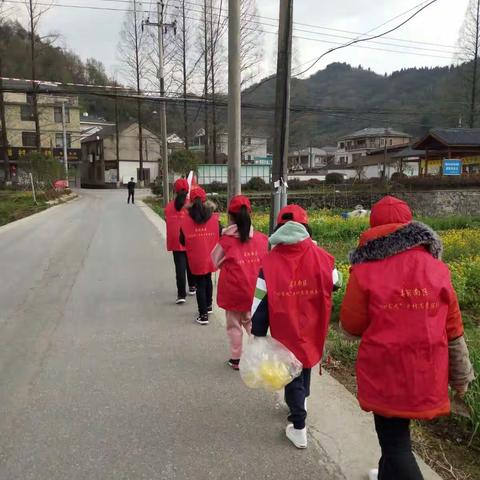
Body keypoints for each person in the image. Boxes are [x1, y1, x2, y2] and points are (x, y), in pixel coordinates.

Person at [340, 195, 475, 480]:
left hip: (386, 371)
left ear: (373, 225)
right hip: (427, 370)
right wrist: (461, 377)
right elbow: (453, 328)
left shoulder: (365, 270)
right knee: (396, 440)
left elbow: (351, 326)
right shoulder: (437, 268)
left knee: (395, 444)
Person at [251, 205, 342, 449]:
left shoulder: (269, 263)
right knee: (306, 363)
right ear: (306, 228)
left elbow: (260, 301)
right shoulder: (322, 257)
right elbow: (336, 283)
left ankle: (298, 425)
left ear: (279, 228)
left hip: (285, 327)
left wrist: (258, 332)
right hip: (313, 324)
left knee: (291, 373)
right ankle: (301, 403)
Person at [211, 195, 268, 370]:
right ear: (249, 214)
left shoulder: (226, 240)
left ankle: (236, 359)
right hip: (254, 291)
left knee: (234, 325)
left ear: (230, 216)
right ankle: (259, 356)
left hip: (233, 291)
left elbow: (214, 260)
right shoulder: (261, 239)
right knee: (251, 324)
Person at [180, 187, 220, 325]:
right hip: (211, 255)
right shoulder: (214, 218)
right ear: (205, 200)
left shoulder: (185, 220)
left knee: (200, 284)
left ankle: (203, 315)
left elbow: (182, 240)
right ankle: (208, 307)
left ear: (191, 201)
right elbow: (219, 235)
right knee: (208, 279)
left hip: (196, 257)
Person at [164, 178, 196, 304]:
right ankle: (192, 286)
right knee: (191, 263)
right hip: (190, 239)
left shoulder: (169, 206)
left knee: (180, 267)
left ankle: (181, 294)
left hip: (175, 240)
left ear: (175, 191)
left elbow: (167, 218)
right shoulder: (191, 205)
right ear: (187, 190)